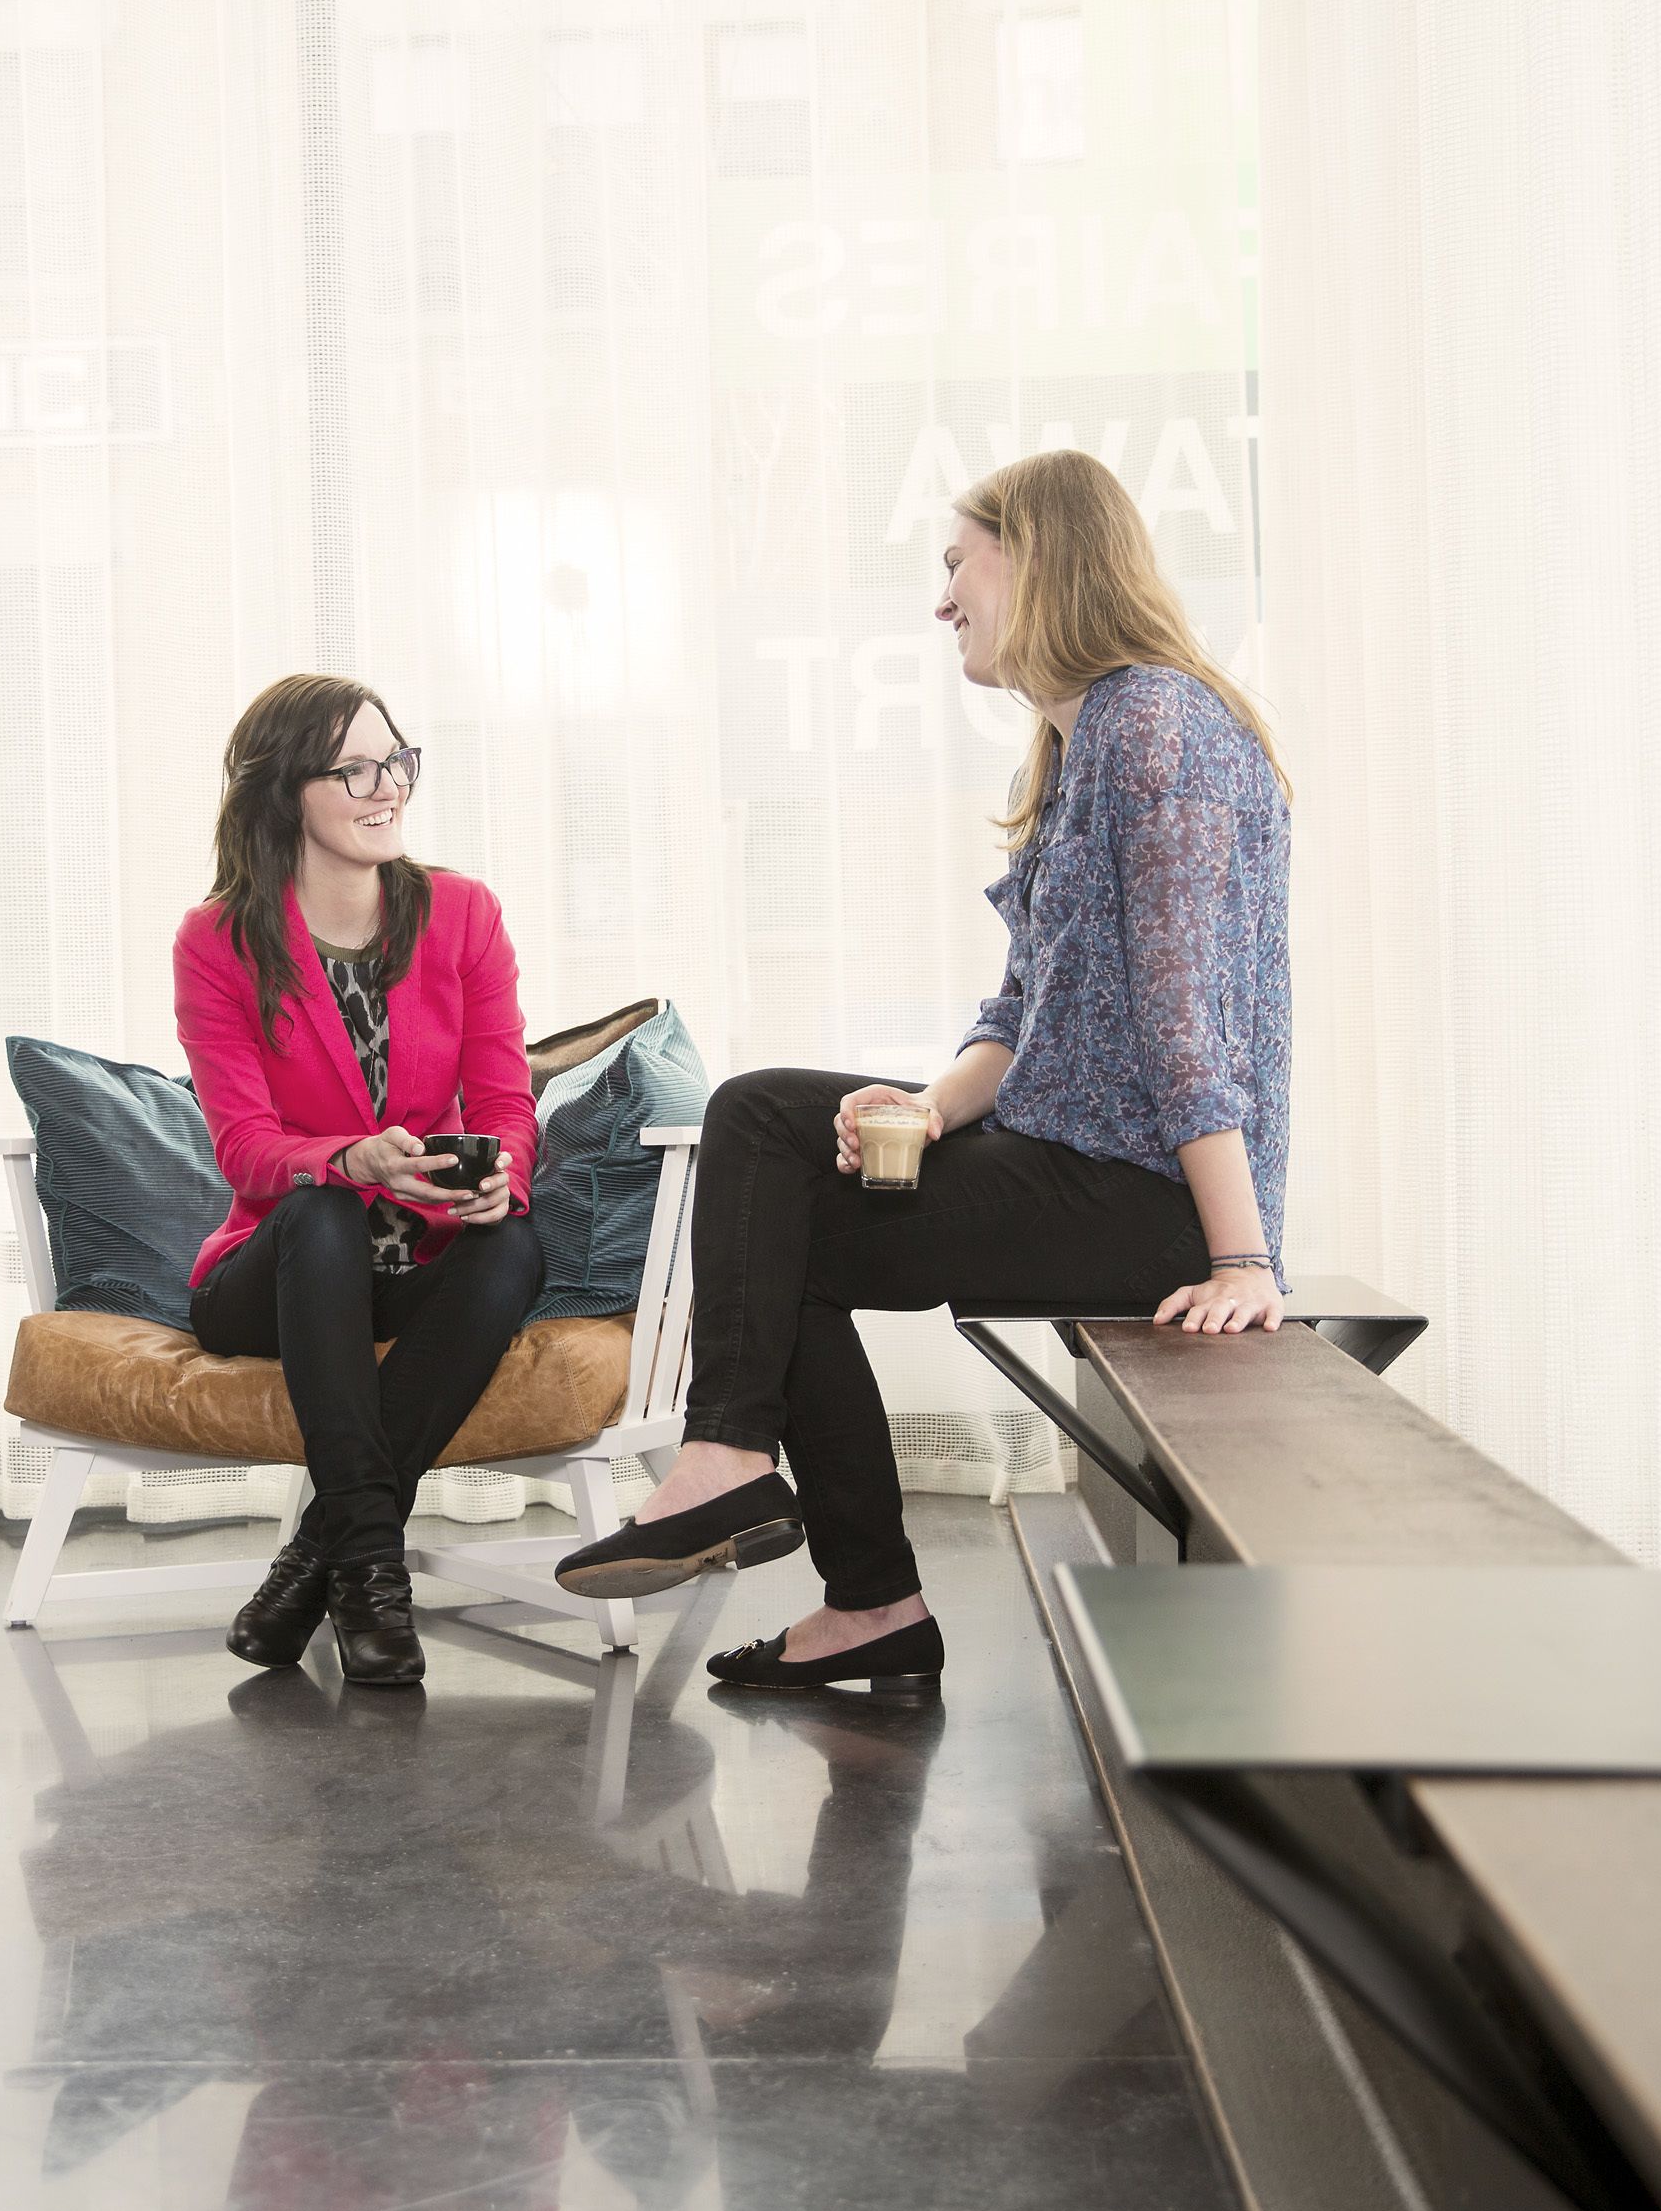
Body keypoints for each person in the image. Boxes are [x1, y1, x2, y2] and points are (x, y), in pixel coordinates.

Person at [554, 449, 1294, 1694]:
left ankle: (749, 1487)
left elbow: (1187, 1023)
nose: (943, 598)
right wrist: (932, 1108)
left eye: (957, 563)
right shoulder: (1082, 740)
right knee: (766, 1180)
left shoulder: (1153, 724)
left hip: (1147, 1198)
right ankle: (854, 1589)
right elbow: (1025, 1006)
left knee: (762, 1183)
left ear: (1037, 555)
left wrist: (1241, 1257)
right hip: (1082, 1166)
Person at [176, 673, 546, 1686]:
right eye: (357, 768)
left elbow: (507, 1102)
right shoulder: (217, 942)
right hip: (275, 1272)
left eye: (399, 760)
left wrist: (496, 1179)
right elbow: (246, 1147)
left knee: (514, 1240)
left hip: (411, 1258)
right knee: (324, 1215)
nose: (389, 786)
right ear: (285, 789)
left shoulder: (463, 916)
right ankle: (376, 1577)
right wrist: (343, 1160)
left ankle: (318, 1559)